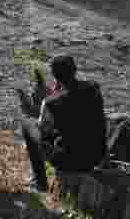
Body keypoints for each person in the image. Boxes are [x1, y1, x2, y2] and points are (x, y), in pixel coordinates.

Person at [18, 55, 107, 192]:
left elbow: (43, 131)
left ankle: (40, 182)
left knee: (27, 124)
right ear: (75, 69)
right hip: (97, 155)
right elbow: (75, 111)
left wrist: (34, 108)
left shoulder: (50, 102)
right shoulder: (94, 88)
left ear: (54, 75)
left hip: (70, 162)